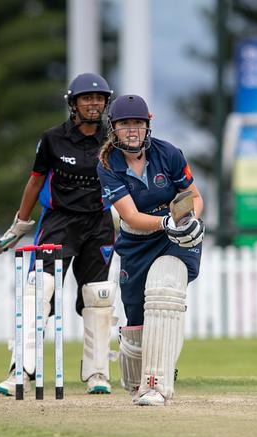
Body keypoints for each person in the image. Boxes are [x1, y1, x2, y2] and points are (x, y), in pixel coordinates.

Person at [0, 73, 118, 396]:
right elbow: (35, 181)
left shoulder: (113, 137)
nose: (94, 104)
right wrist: (19, 225)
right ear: (73, 104)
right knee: (39, 289)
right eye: (87, 99)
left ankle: (97, 372)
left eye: (99, 98)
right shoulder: (52, 139)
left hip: (99, 223)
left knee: (99, 296)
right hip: (59, 222)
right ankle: (21, 369)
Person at [97, 94, 204, 406]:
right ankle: (136, 382)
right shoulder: (107, 165)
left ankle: (157, 384)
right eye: (125, 124)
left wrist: (189, 221)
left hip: (174, 239)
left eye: (138, 124)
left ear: (148, 125)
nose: (132, 130)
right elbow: (130, 216)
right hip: (136, 240)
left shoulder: (168, 153)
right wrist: (167, 222)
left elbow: (194, 197)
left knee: (164, 290)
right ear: (113, 128)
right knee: (136, 324)